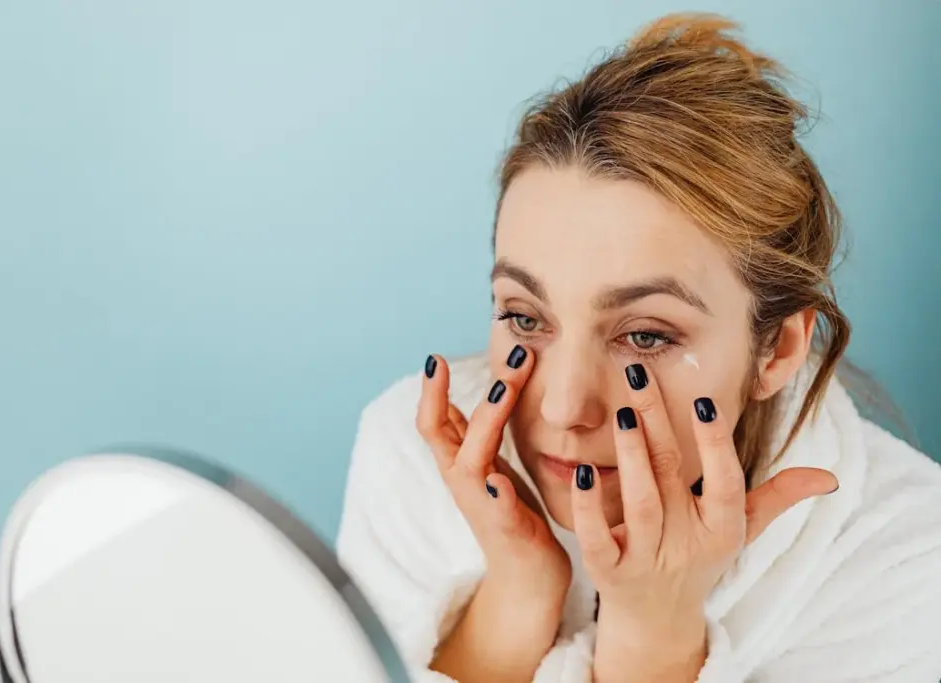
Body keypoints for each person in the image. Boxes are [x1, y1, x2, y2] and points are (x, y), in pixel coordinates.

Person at [335, 13, 941, 683]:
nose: (565, 407)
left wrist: (654, 640)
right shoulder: (411, 463)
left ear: (777, 348)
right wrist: (514, 596)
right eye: (525, 316)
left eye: (645, 335)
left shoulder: (907, 559)